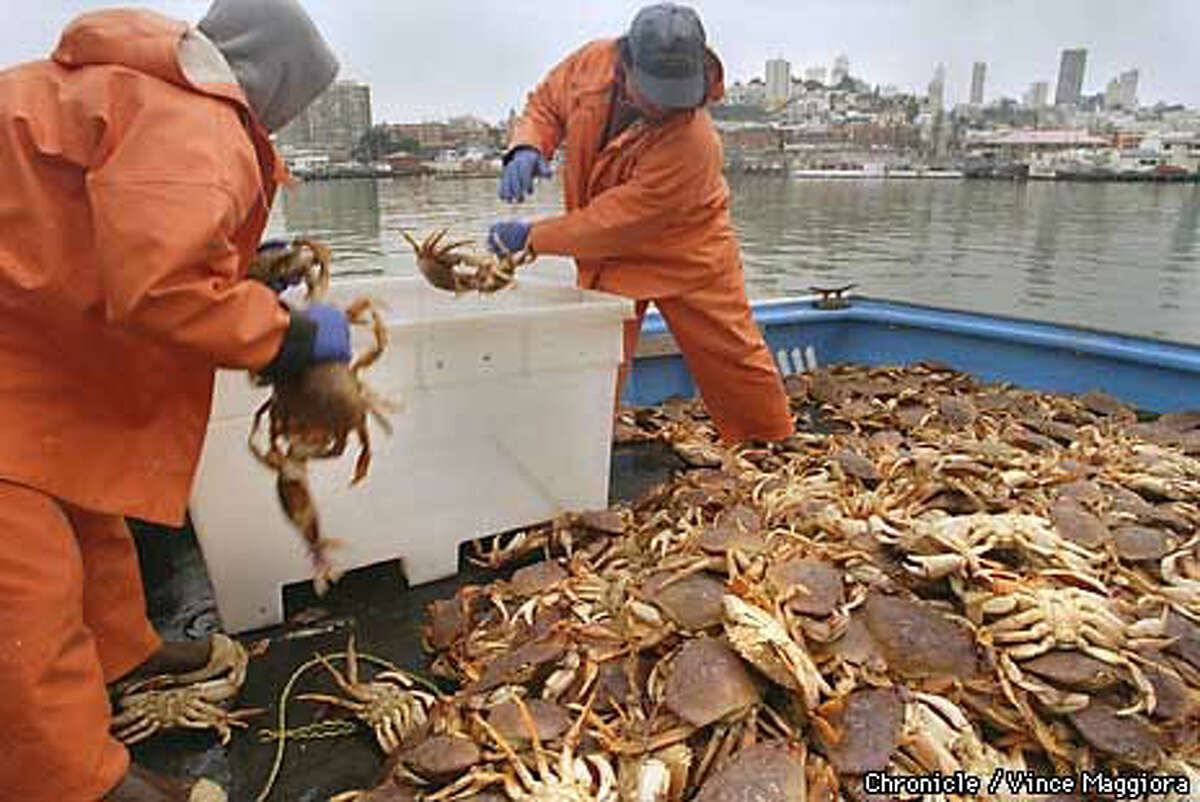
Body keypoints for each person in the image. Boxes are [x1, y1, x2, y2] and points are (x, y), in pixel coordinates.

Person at [0, 1, 346, 800]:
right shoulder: (196, 121)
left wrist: (239, 263)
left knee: (86, 494)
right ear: (278, 82)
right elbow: (161, 286)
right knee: (23, 573)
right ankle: (76, 778)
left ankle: (123, 651)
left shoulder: (145, 91)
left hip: (30, 326)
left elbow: (125, 220)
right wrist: (286, 338)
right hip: (22, 338)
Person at [488, 2, 794, 445]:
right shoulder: (591, 63)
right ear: (625, 62)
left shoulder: (694, 142)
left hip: (690, 252)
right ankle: (582, 452)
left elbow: (612, 225)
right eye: (654, 91)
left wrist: (531, 237)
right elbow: (546, 106)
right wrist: (527, 146)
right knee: (594, 357)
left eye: (676, 94)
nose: (663, 106)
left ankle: (769, 447)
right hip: (608, 259)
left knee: (733, 356)